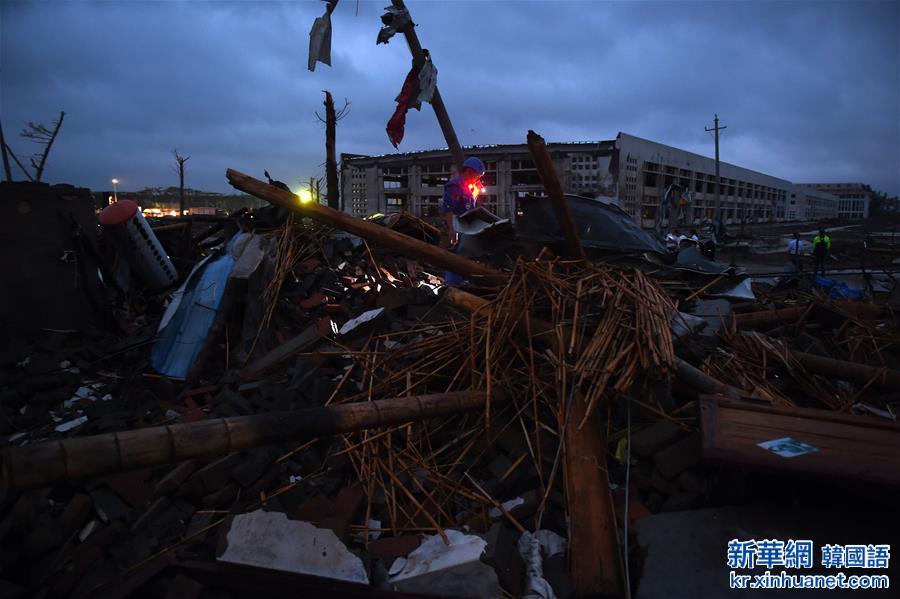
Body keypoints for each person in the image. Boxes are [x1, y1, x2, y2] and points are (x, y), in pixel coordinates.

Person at [441, 156, 486, 285]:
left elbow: (470, 207)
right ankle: (451, 284)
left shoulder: (469, 187)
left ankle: (462, 283)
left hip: (467, 228)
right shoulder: (455, 186)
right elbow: (448, 209)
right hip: (457, 227)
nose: (478, 178)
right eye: (477, 175)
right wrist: (452, 230)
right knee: (455, 257)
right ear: (470, 171)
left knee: (466, 256)